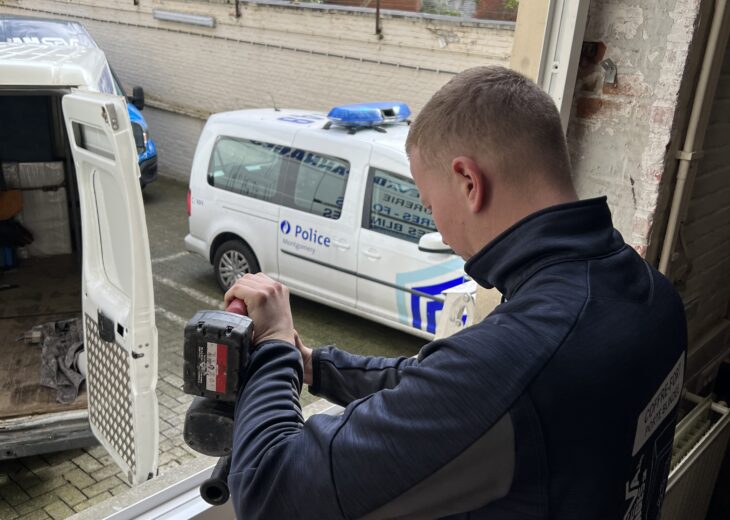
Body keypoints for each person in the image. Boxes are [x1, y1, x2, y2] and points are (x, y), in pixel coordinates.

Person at [224, 66, 687, 519]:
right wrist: (315, 366)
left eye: (428, 204)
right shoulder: (654, 296)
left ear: (468, 181)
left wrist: (275, 345)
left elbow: (271, 489)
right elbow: (448, 387)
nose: (439, 229)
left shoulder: (528, 354)